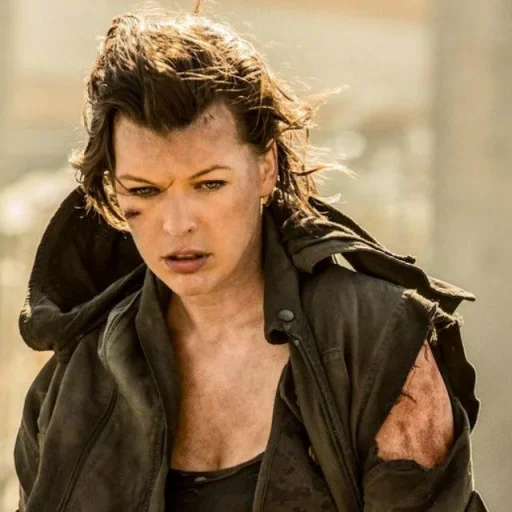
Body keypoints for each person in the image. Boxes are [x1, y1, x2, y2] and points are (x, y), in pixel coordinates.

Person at [13, 6, 487, 512]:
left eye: (209, 184)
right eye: (145, 191)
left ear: (266, 168)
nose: (177, 225)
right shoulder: (72, 387)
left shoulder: (377, 341)